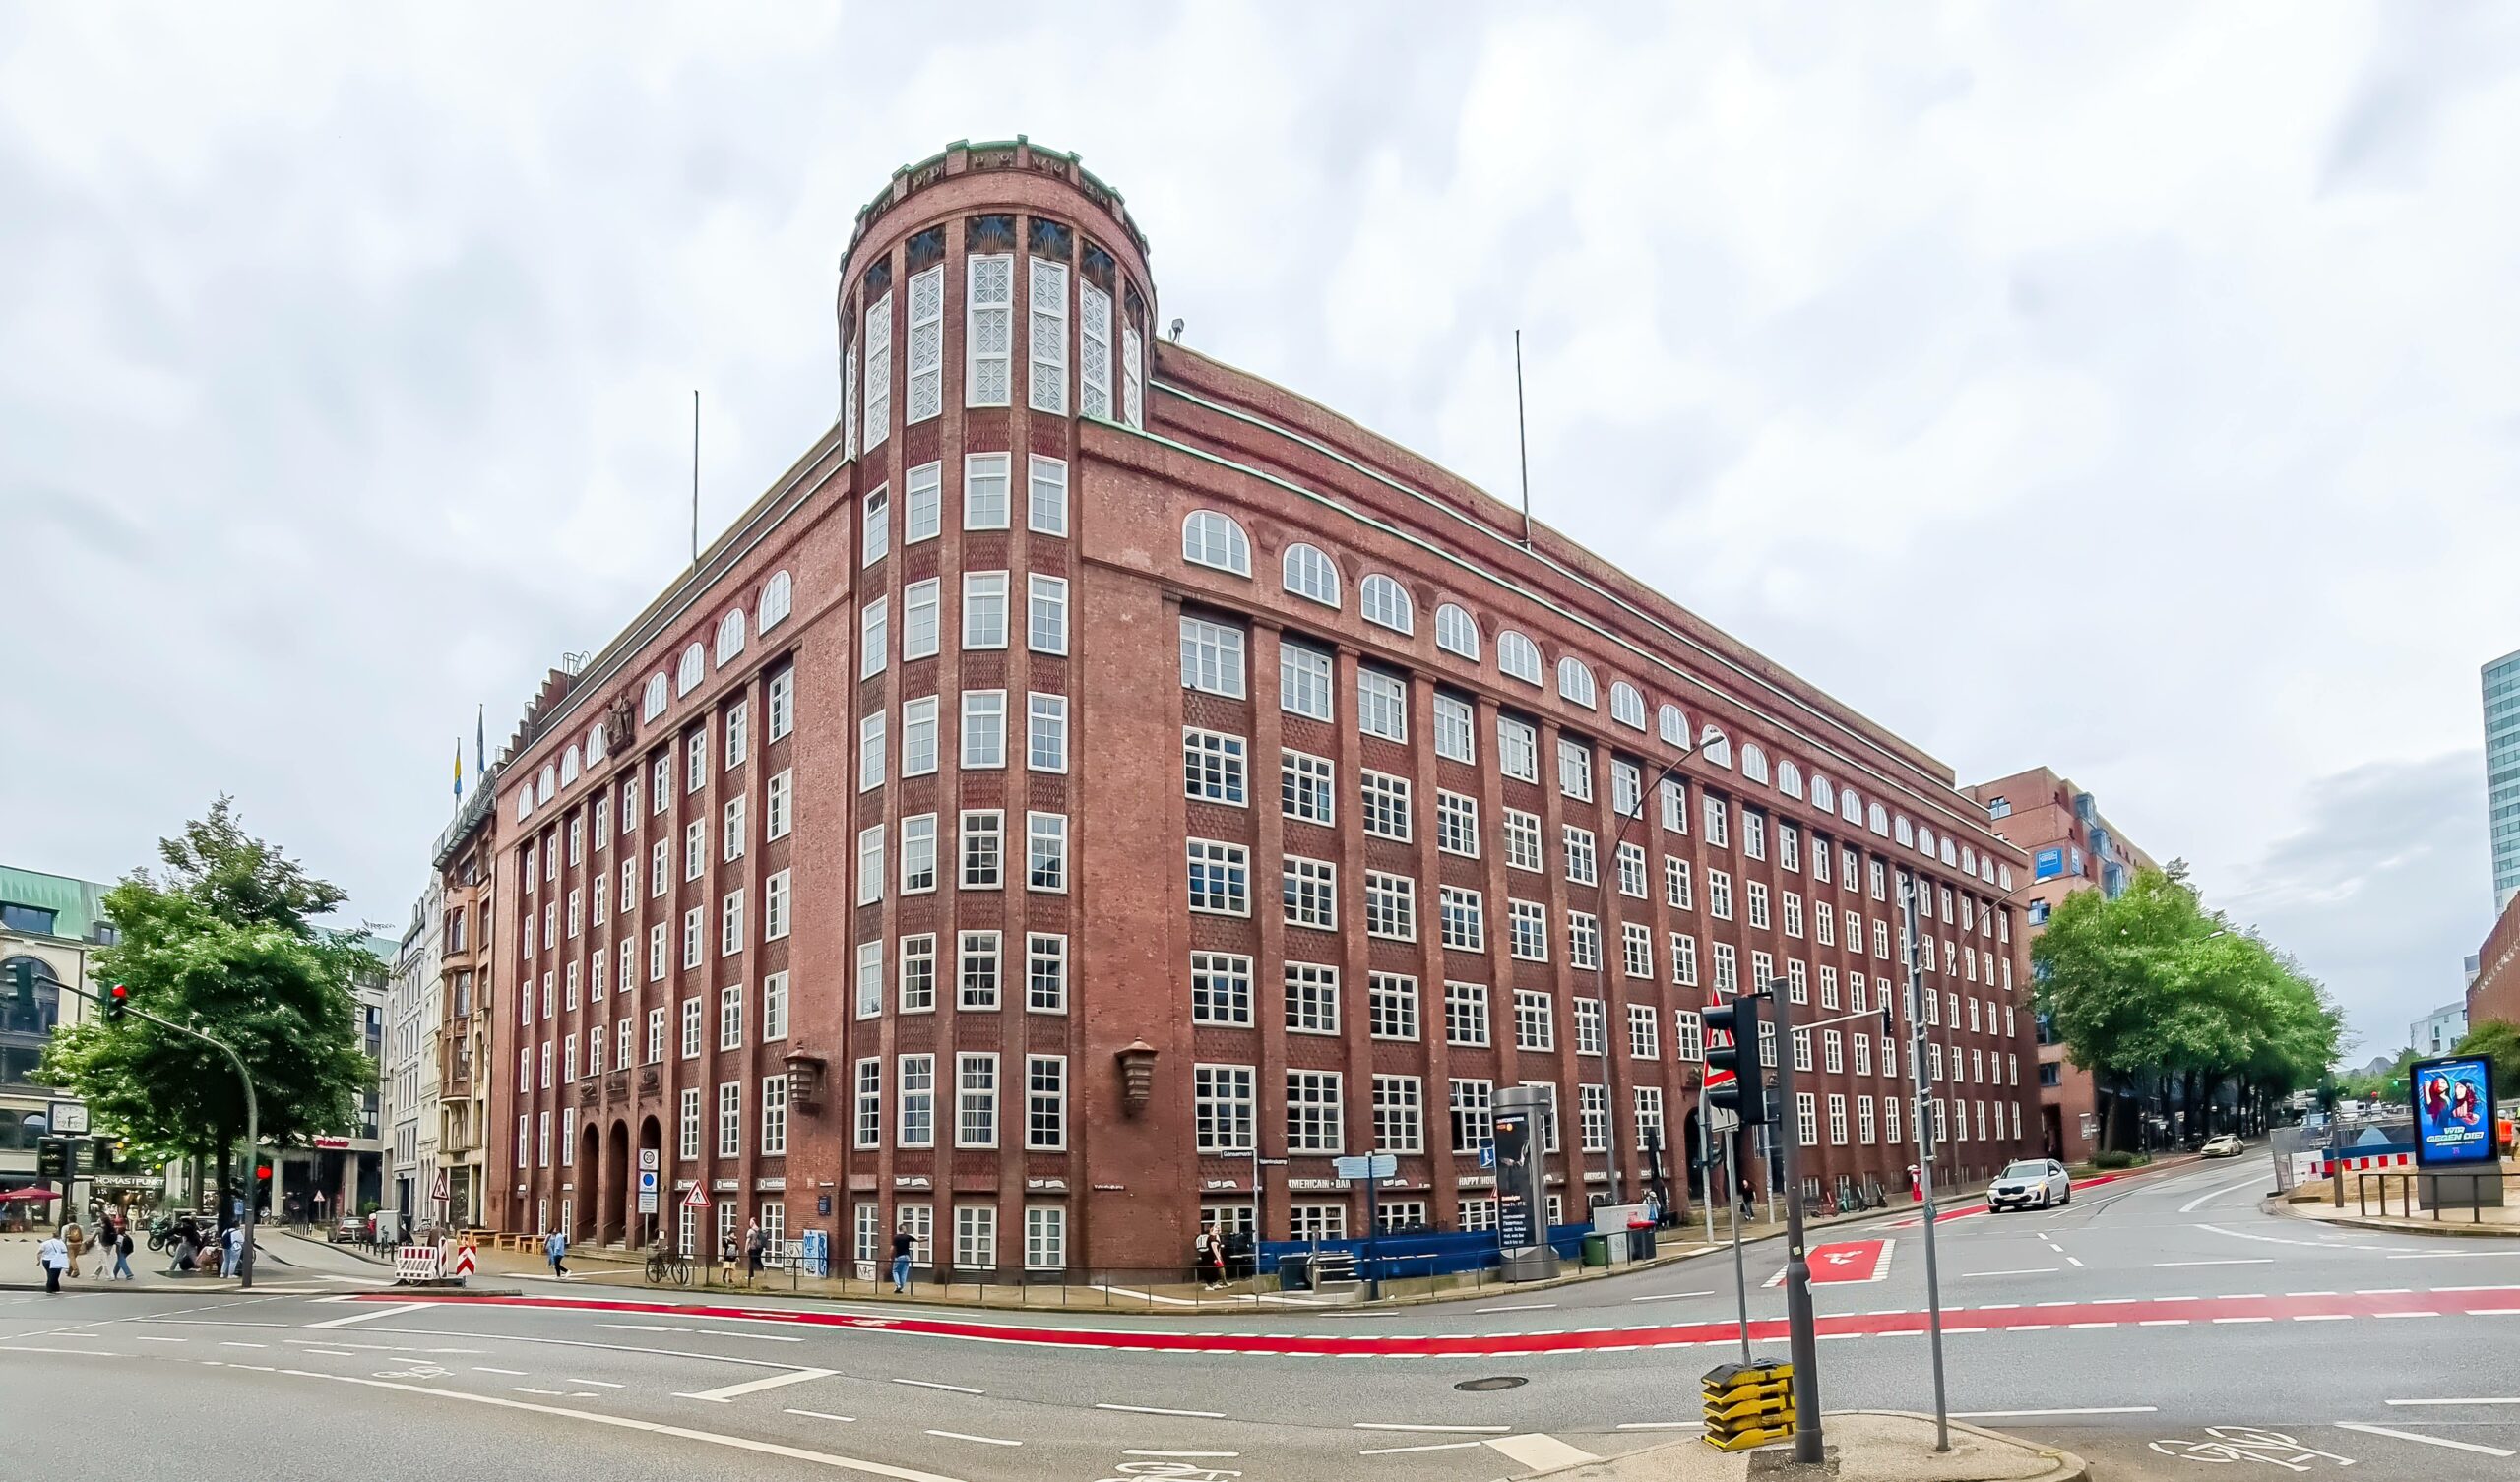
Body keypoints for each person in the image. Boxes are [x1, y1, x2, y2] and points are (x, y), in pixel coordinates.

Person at [1192, 1222, 1225, 1289]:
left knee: (1214, 1270)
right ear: (1211, 1231)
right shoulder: (1212, 1239)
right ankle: (1208, 1284)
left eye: (1217, 1231)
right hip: (1209, 1256)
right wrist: (1218, 1258)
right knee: (1210, 1269)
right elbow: (1214, 1250)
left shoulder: (1214, 1237)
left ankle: (1214, 1283)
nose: (1216, 1232)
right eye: (1215, 1230)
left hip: (1211, 1256)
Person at [36, 1229, 69, 1294]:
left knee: (50, 1274)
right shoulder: (61, 1243)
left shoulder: (46, 1243)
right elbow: (64, 1253)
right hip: (56, 1261)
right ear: (59, 1236)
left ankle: (56, 1289)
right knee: (53, 1276)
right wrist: (65, 1265)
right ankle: (49, 1290)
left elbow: (39, 1252)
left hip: (46, 1261)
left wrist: (39, 1260)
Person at [890, 1224, 915, 1294]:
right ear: (902, 1229)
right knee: (904, 1272)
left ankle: (898, 1285)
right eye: (905, 1228)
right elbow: (918, 1240)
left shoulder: (896, 1237)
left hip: (899, 1257)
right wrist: (925, 1239)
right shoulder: (907, 1237)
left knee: (895, 1271)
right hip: (907, 1257)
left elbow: (892, 1248)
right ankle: (900, 1287)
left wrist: (890, 1257)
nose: (906, 1229)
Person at [744, 1220, 764, 1284]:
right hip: (759, 1249)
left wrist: (746, 1248)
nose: (749, 1223)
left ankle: (751, 1276)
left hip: (752, 1248)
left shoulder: (750, 1231)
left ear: (753, 1223)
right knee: (758, 1260)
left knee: (751, 1262)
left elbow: (748, 1240)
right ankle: (764, 1268)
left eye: (750, 1222)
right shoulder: (759, 1230)